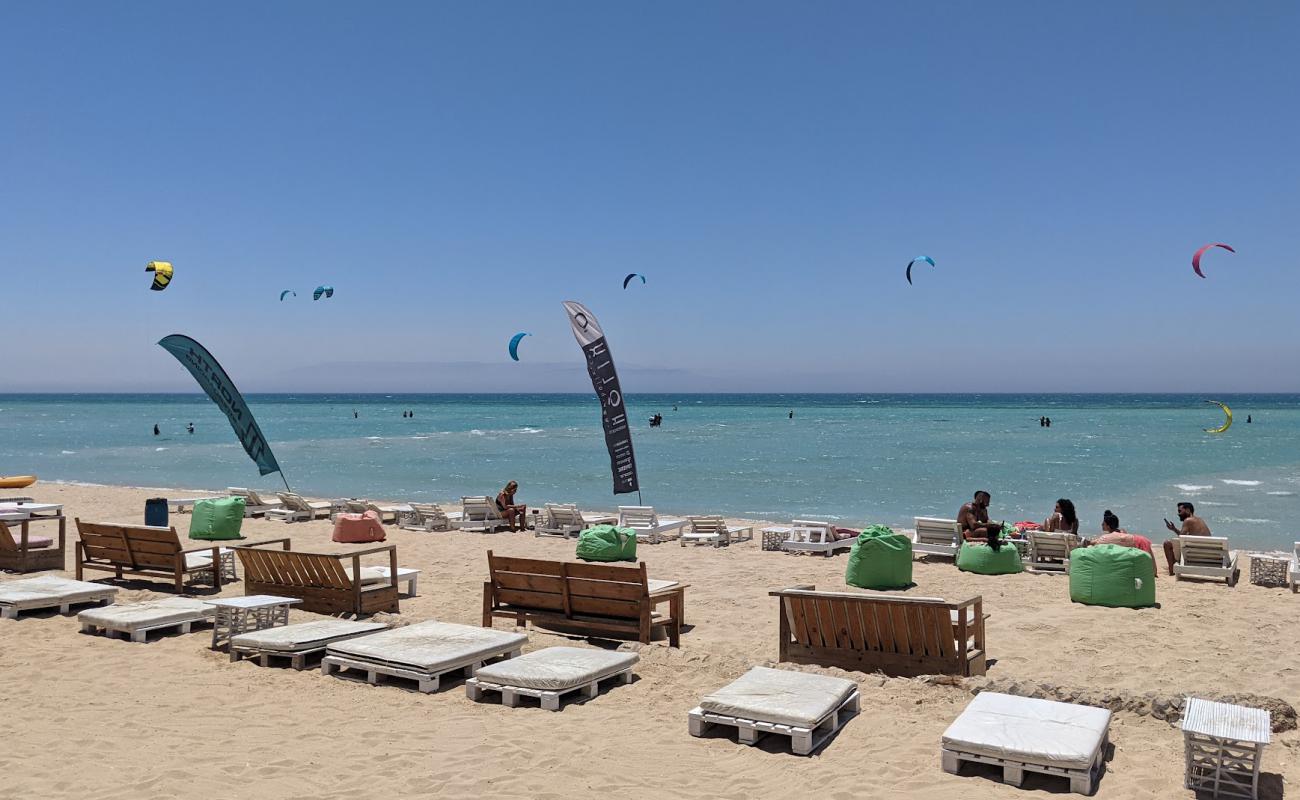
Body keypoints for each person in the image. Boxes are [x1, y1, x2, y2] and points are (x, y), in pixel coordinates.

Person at [1162, 501, 1211, 575]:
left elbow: (1181, 537)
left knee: (1167, 543)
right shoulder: (1200, 520)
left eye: (1180, 511)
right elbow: (1183, 536)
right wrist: (1174, 529)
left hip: (1195, 556)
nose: (1178, 514)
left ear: (1188, 510)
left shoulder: (1187, 521)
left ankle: (1171, 570)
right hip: (1207, 555)